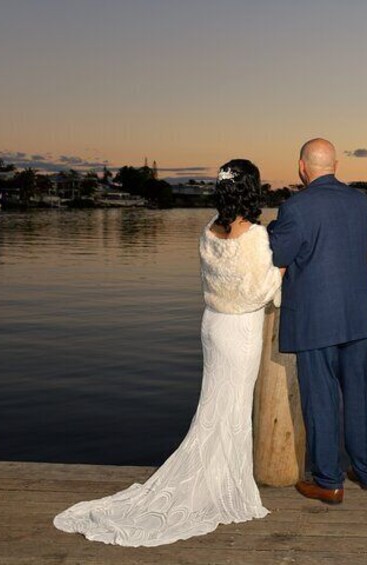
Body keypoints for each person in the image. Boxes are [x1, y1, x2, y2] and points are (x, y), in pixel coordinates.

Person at [53, 159, 281, 546]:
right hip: (240, 330)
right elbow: (256, 292)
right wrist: (282, 273)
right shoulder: (255, 235)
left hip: (213, 326)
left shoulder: (209, 228)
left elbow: (220, 278)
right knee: (233, 409)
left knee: (215, 405)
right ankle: (225, 487)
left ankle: (218, 479)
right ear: (252, 190)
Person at [267, 138, 367, 504]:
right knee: (359, 394)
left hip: (317, 319)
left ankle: (329, 480)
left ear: (302, 166)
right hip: (358, 315)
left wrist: (271, 230)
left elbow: (279, 253)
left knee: (321, 399)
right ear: (337, 164)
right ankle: (365, 470)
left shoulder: (295, 207)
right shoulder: (360, 202)